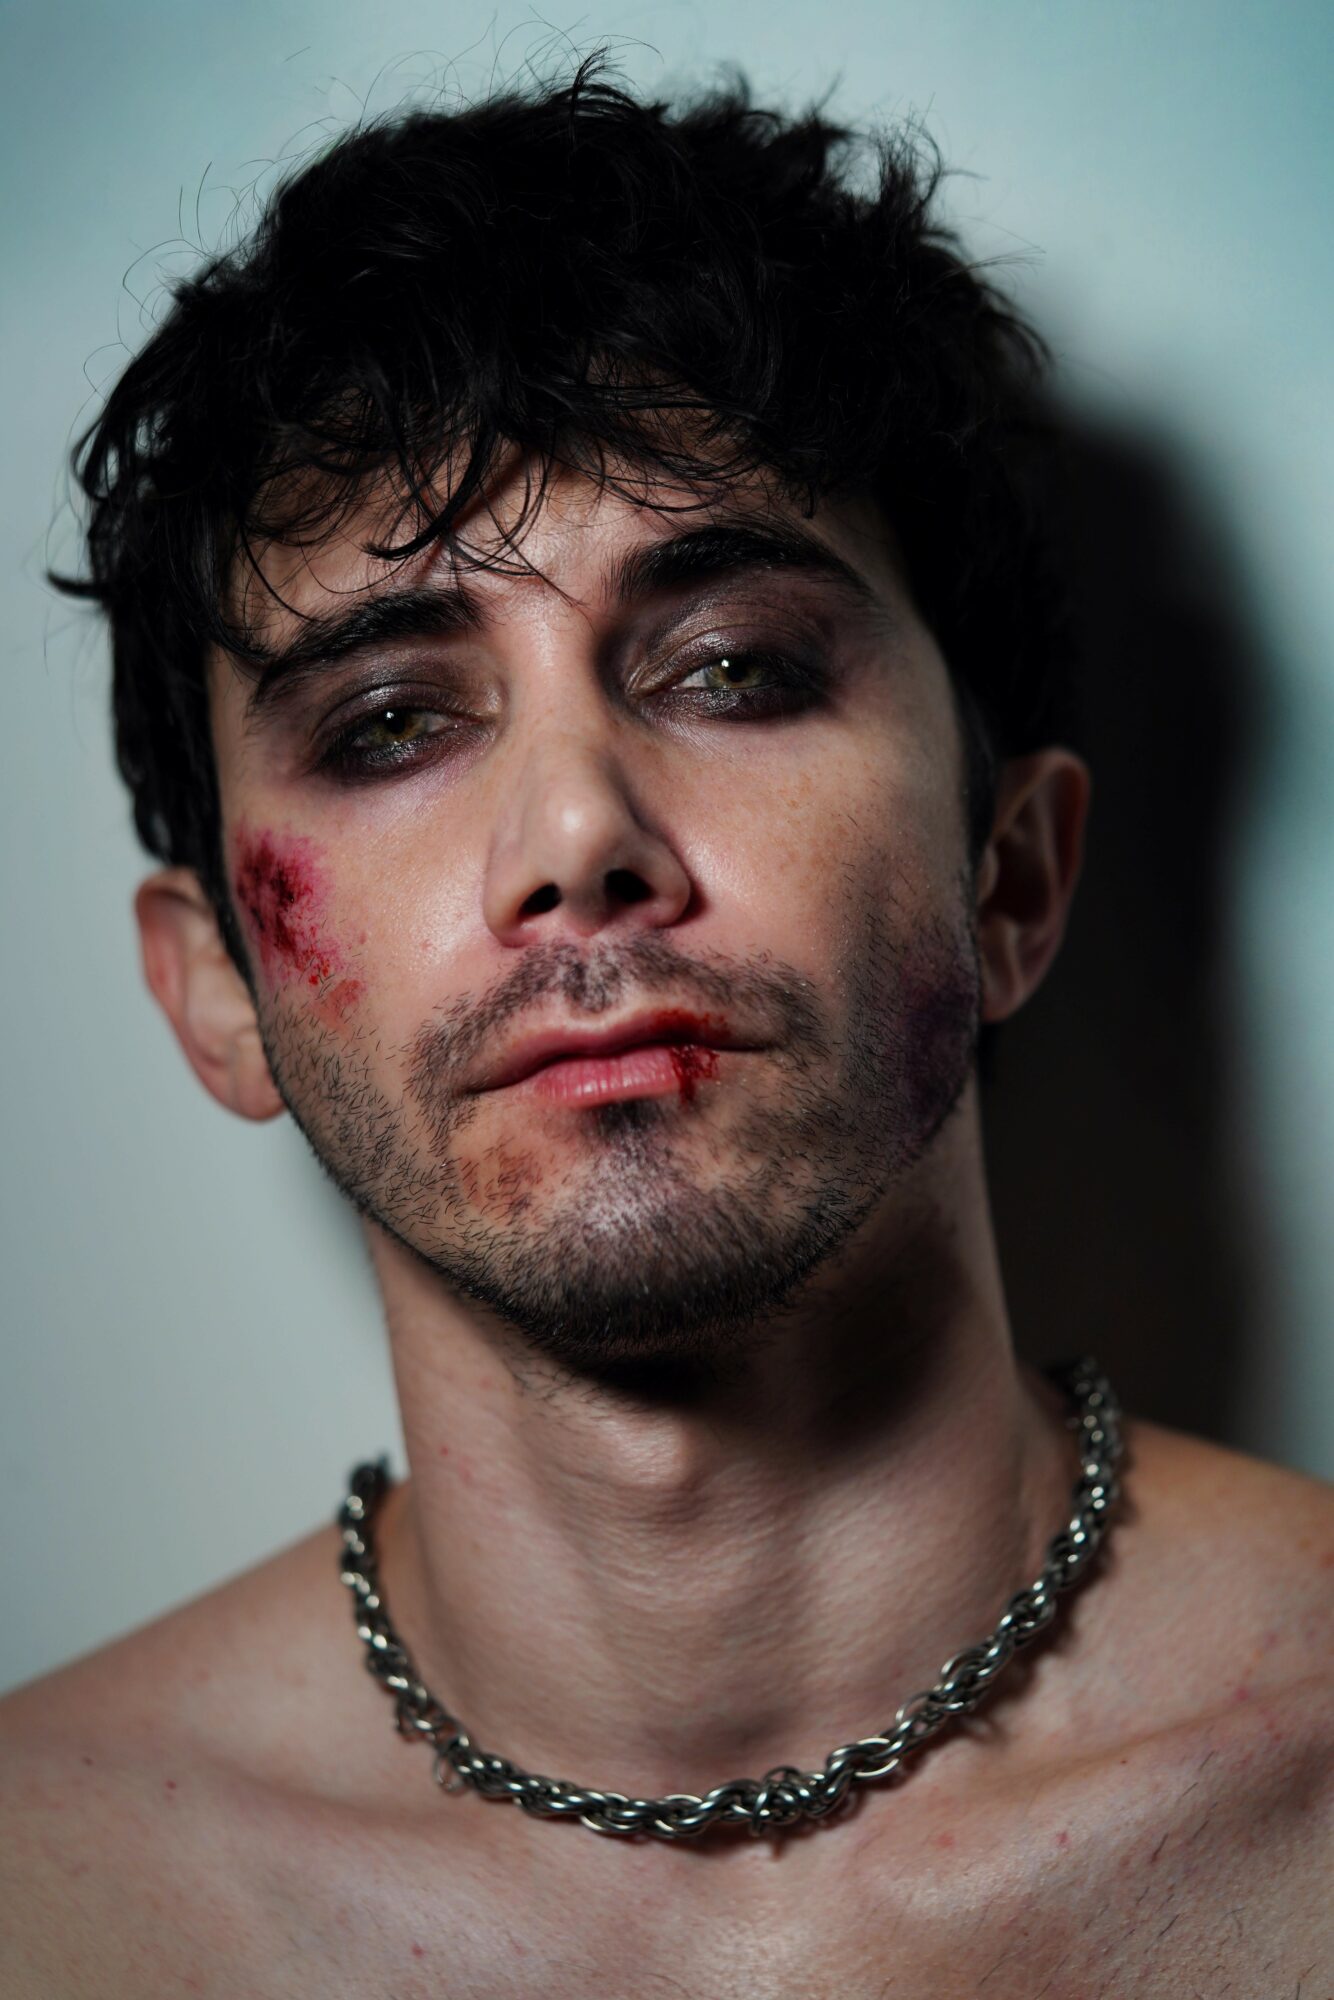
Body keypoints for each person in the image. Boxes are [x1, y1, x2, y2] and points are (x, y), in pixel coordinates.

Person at [2, 64, 1330, 1998]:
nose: (576, 843)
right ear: (220, 991)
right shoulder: (47, 1897)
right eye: (388, 723)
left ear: (1012, 880)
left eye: (733, 670)